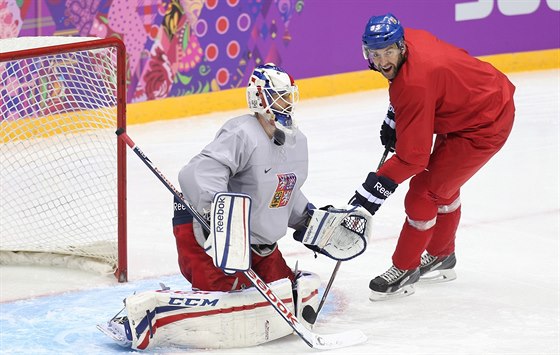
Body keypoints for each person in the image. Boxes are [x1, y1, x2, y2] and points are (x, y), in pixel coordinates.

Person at [350, 14, 515, 301]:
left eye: (388, 52)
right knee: (442, 186)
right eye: (375, 54)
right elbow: (409, 91)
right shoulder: (408, 41)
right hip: (470, 104)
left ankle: (405, 269)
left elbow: (413, 159)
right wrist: (395, 118)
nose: (382, 61)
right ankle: (441, 255)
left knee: (423, 194)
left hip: (486, 123)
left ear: (401, 46)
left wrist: (372, 192)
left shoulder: (415, 84)